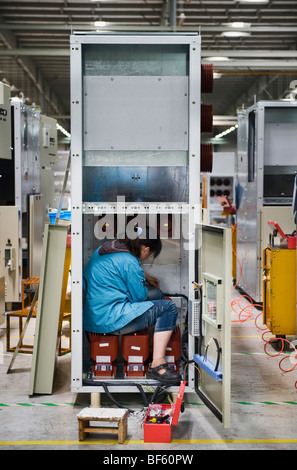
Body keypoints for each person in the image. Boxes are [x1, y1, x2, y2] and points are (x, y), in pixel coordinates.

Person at [83, 226, 181, 385]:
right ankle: (158, 364)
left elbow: (120, 269)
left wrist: (144, 276)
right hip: (110, 319)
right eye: (150, 255)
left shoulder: (107, 248)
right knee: (167, 308)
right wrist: (142, 278)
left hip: (95, 313)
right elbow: (139, 297)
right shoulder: (130, 262)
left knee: (156, 295)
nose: (146, 258)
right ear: (146, 249)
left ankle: (152, 351)